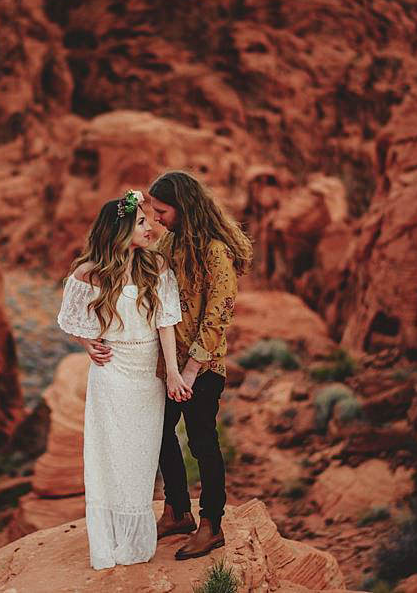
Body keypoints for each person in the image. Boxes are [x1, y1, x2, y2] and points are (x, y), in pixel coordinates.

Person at [56, 190, 192, 570]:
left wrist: (172, 373)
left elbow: (167, 323)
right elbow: (70, 318)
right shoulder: (89, 272)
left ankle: (134, 540)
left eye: (150, 221)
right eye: (142, 223)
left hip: (146, 374)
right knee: (109, 456)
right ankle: (109, 540)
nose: (151, 229)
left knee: (140, 457)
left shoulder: (157, 269)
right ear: (118, 231)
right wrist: (87, 344)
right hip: (111, 374)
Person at [148, 171, 253, 560]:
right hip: (170, 366)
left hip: (203, 369)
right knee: (157, 433)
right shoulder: (169, 245)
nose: (157, 218)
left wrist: (190, 371)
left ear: (183, 207)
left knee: (202, 442)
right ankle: (177, 511)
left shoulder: (214, 250)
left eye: (162, 211)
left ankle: (212, 525)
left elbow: (219, 314)